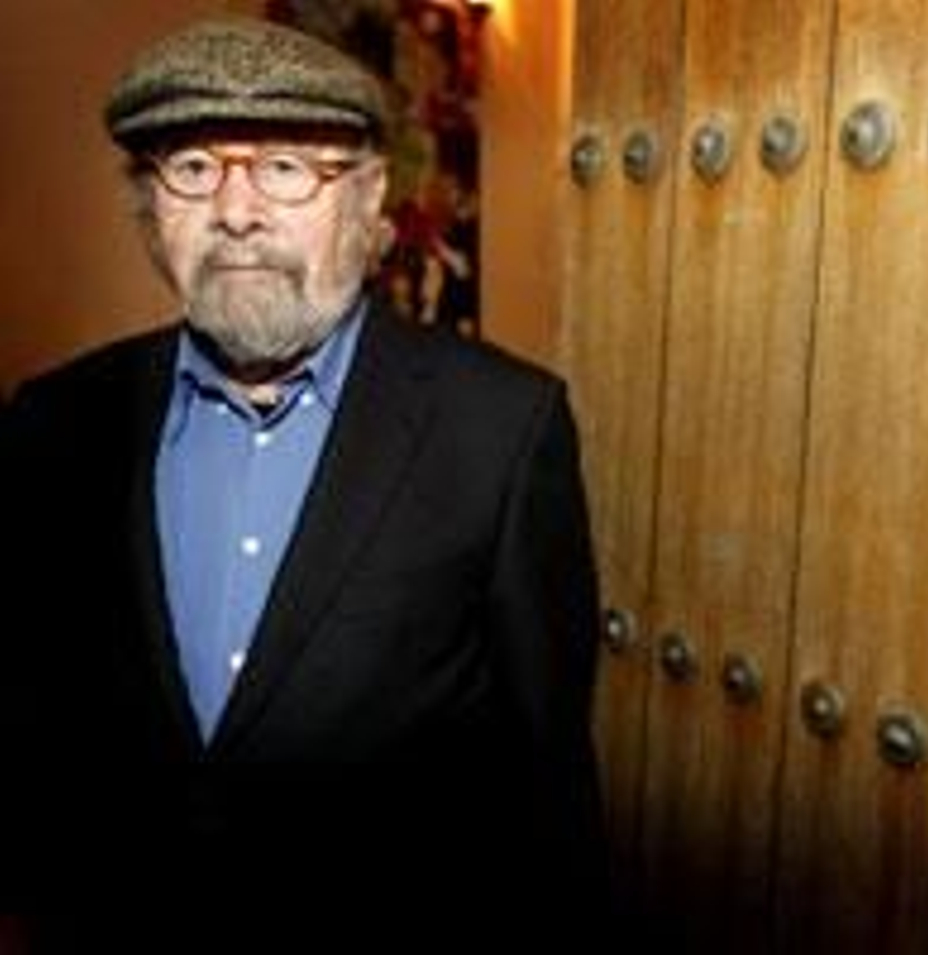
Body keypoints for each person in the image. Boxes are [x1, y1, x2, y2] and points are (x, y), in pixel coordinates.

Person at [0, 15, 607, 952]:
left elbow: (547, 782)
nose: (236, 212)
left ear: (369, 200)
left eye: (285, 166)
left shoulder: (501, 432)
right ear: (150, 209)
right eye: (193, 167)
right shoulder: (56, 421)